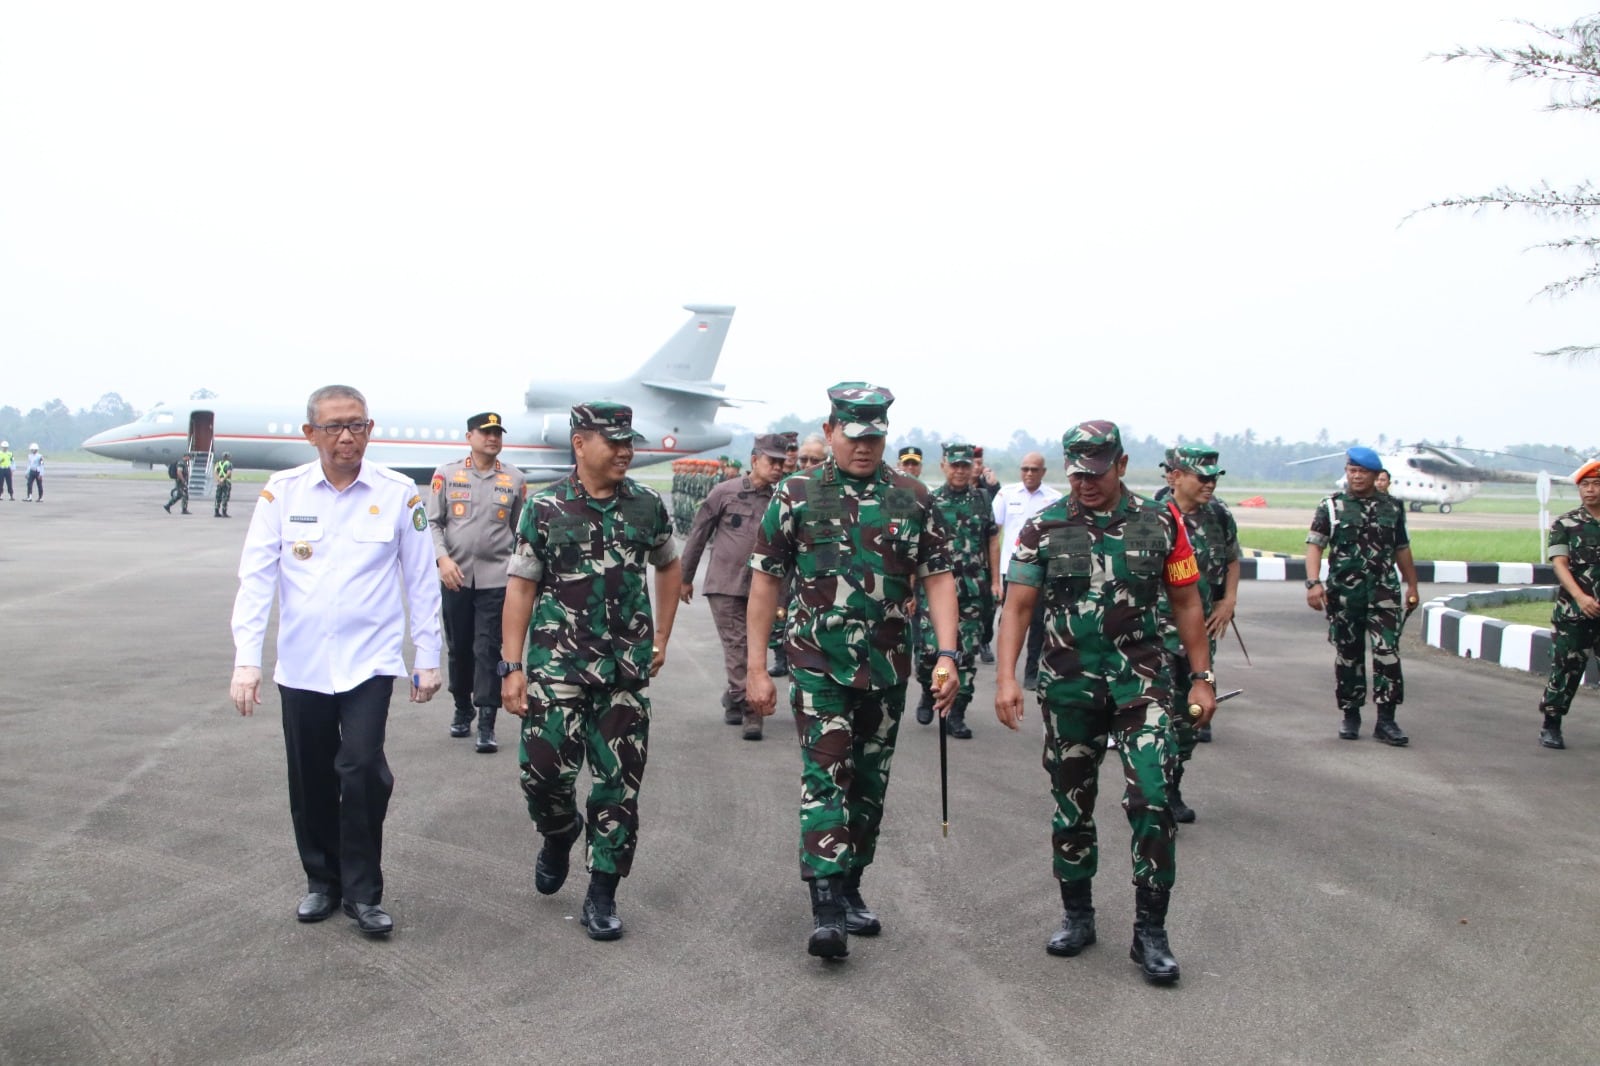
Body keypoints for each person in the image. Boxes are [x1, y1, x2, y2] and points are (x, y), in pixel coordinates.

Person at [994, 420, 1216, 985]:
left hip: (1141, 683)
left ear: (1119, 464)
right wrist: (1005, 678)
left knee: (1153, 797)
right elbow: (1017, 606)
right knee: (1072, 804)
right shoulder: (1044, 526)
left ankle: (1151, 933)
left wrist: (1201, 677)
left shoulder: (1162, 521)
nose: (1085, 484)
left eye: (1095, 473)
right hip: (1068, 685)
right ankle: (1078, 915)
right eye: (1076, 474)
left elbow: (1187, 602)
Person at [746, 382, 960, 961]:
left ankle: (851, 885)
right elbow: (765, 578)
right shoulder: (795, 493)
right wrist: (756, 667)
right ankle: (826, 908)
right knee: (825, 779)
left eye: (876, 436)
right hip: (817, 664)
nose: (865, 447)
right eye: (855, 436)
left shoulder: (912, 497)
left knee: (868, 787)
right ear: (833, 430)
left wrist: (947, 653)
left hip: (887, 668)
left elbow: (938, 576)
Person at [229, 385, 443, 937]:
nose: (346, 437)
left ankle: (364, 892)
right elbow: (256, 579)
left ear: (370, 429)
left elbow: (421, 579)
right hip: (301, 664)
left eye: (356, 425)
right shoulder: (283, 493)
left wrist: (429, 656)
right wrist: (246, 660)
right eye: (333, 427)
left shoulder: (399, 494)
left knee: (362, 769)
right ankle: (322, 882)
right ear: (310, 434)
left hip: (369, 663)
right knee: (311, 778)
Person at [500, 402, 681, 942]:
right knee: (543, 775)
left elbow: (669, 564)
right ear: (581, 444)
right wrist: (512, 666)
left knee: (619, 785)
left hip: (624, 672)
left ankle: (602, 893)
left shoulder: (647, 506)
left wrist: (663, 636)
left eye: (630, 442)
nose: (626, 451)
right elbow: (522, 586)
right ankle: (558, 832)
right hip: (556, 666)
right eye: (614, 441)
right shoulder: (546, 506)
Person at [1304, 446, 1420, 745]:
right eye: (1351, 470)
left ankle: (1386, 720)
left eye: (1362, 472)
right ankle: (1350, 714)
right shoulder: (1331, 506)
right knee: (1348, 656)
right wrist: (1313, 583)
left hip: (1383, 594)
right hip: (1344, 595)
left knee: (1387, 655)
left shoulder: (1392, 507)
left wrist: (1412, 586)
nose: (1356, 476)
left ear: (1375, 475)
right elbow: (1315, 545)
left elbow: (1402, 548)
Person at [427, 412, 527, 752]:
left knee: (487, 648)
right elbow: (433, 523)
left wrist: (520, 572)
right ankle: (461, 707)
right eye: (485, 433)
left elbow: (519, 532)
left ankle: (486, 721)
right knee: (459, 648)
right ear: (469, 436)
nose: (493, 438)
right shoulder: (446, 474)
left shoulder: (514, 479)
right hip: (455, 578)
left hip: (496, 579)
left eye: (498, 432)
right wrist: (442, 559)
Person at [680, 433, 788, 739]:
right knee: (737, 647)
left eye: (782, 463)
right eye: (772, 462)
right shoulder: (723, 493)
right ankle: (751, 711)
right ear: (755, 460)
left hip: (763, 590)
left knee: (756, 648)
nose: (778, 468)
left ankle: (733, 696)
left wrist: (784, 596)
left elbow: (790, 553)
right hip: (725, 584)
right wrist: (685, 579)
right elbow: (698, 535)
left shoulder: (784, 499)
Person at [1156, 446, 1240, 822]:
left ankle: (1172, 785)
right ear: (1175, 476)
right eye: (1202, 477)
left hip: (1198, 633)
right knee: (1154, 715)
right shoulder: (1152, 515)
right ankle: (1151, 788)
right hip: (1154, 632)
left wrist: (1228, 602)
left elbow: (1233, 558)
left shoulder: (1219, 516)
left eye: (1214, 478)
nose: (1210, 484)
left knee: (1190, 715)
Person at [912, 442, 999, 738]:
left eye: (965, 465)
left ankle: (956, 713)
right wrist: (911, 590)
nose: (960, 471)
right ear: (944, 466)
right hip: (934, 592)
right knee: (929, 653)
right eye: (955, 465)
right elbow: (917, 549)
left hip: (973, 591)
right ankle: (929, 688)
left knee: (966, 656)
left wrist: (996, 581)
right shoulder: (931, 500)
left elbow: (991, 541)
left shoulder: (983, 500)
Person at [1536, 459, 1600, 750]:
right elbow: (1560, 565)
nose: (1591, 490)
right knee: (1566, 668)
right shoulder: (1566, 524)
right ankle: (1551, 724)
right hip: (1574, 611)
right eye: (1585, 485)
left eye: (1596, 484)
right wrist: (1581, 597)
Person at [993, 451, 1062, 687]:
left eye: (1034, 469)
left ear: (1043, 472)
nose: (1029, 473)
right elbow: (994, 534)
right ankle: (1005, 669)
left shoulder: (1054, 499)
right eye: (1025, 469)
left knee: (1037, 624)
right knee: (1008, 619)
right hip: (1011, 568)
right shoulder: (1006, 494)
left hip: (1041, 569)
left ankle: (1031, 671)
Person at [213, 452, 234, 517]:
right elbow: (229, 473)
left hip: (219, 482)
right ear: (227, 457)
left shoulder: (218, 463)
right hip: (226, 482)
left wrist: (219, 479)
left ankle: (216, 512)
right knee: (225, 497)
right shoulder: (229, 464)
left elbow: (215, 472)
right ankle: (224, 512)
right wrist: (223, 479)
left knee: (218, 496)